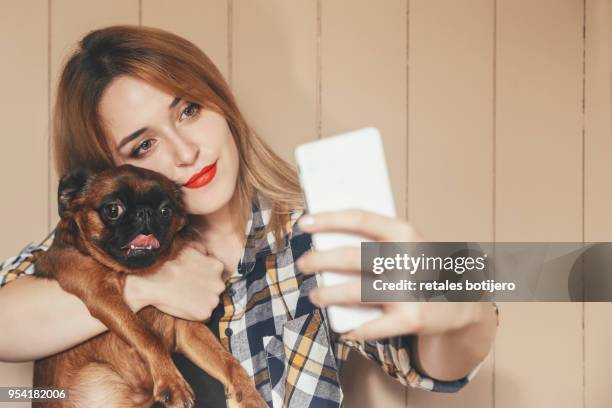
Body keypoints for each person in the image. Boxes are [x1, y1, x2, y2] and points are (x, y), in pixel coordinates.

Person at [0, 25, 498, 407]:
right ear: (114, 170)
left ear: (220, 101)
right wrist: (147, 286)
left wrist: (463, 304)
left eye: (189, 110)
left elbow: (432, 361)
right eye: (145, 143)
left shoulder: (312, 239)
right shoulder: (101, 238)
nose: (186, 151)